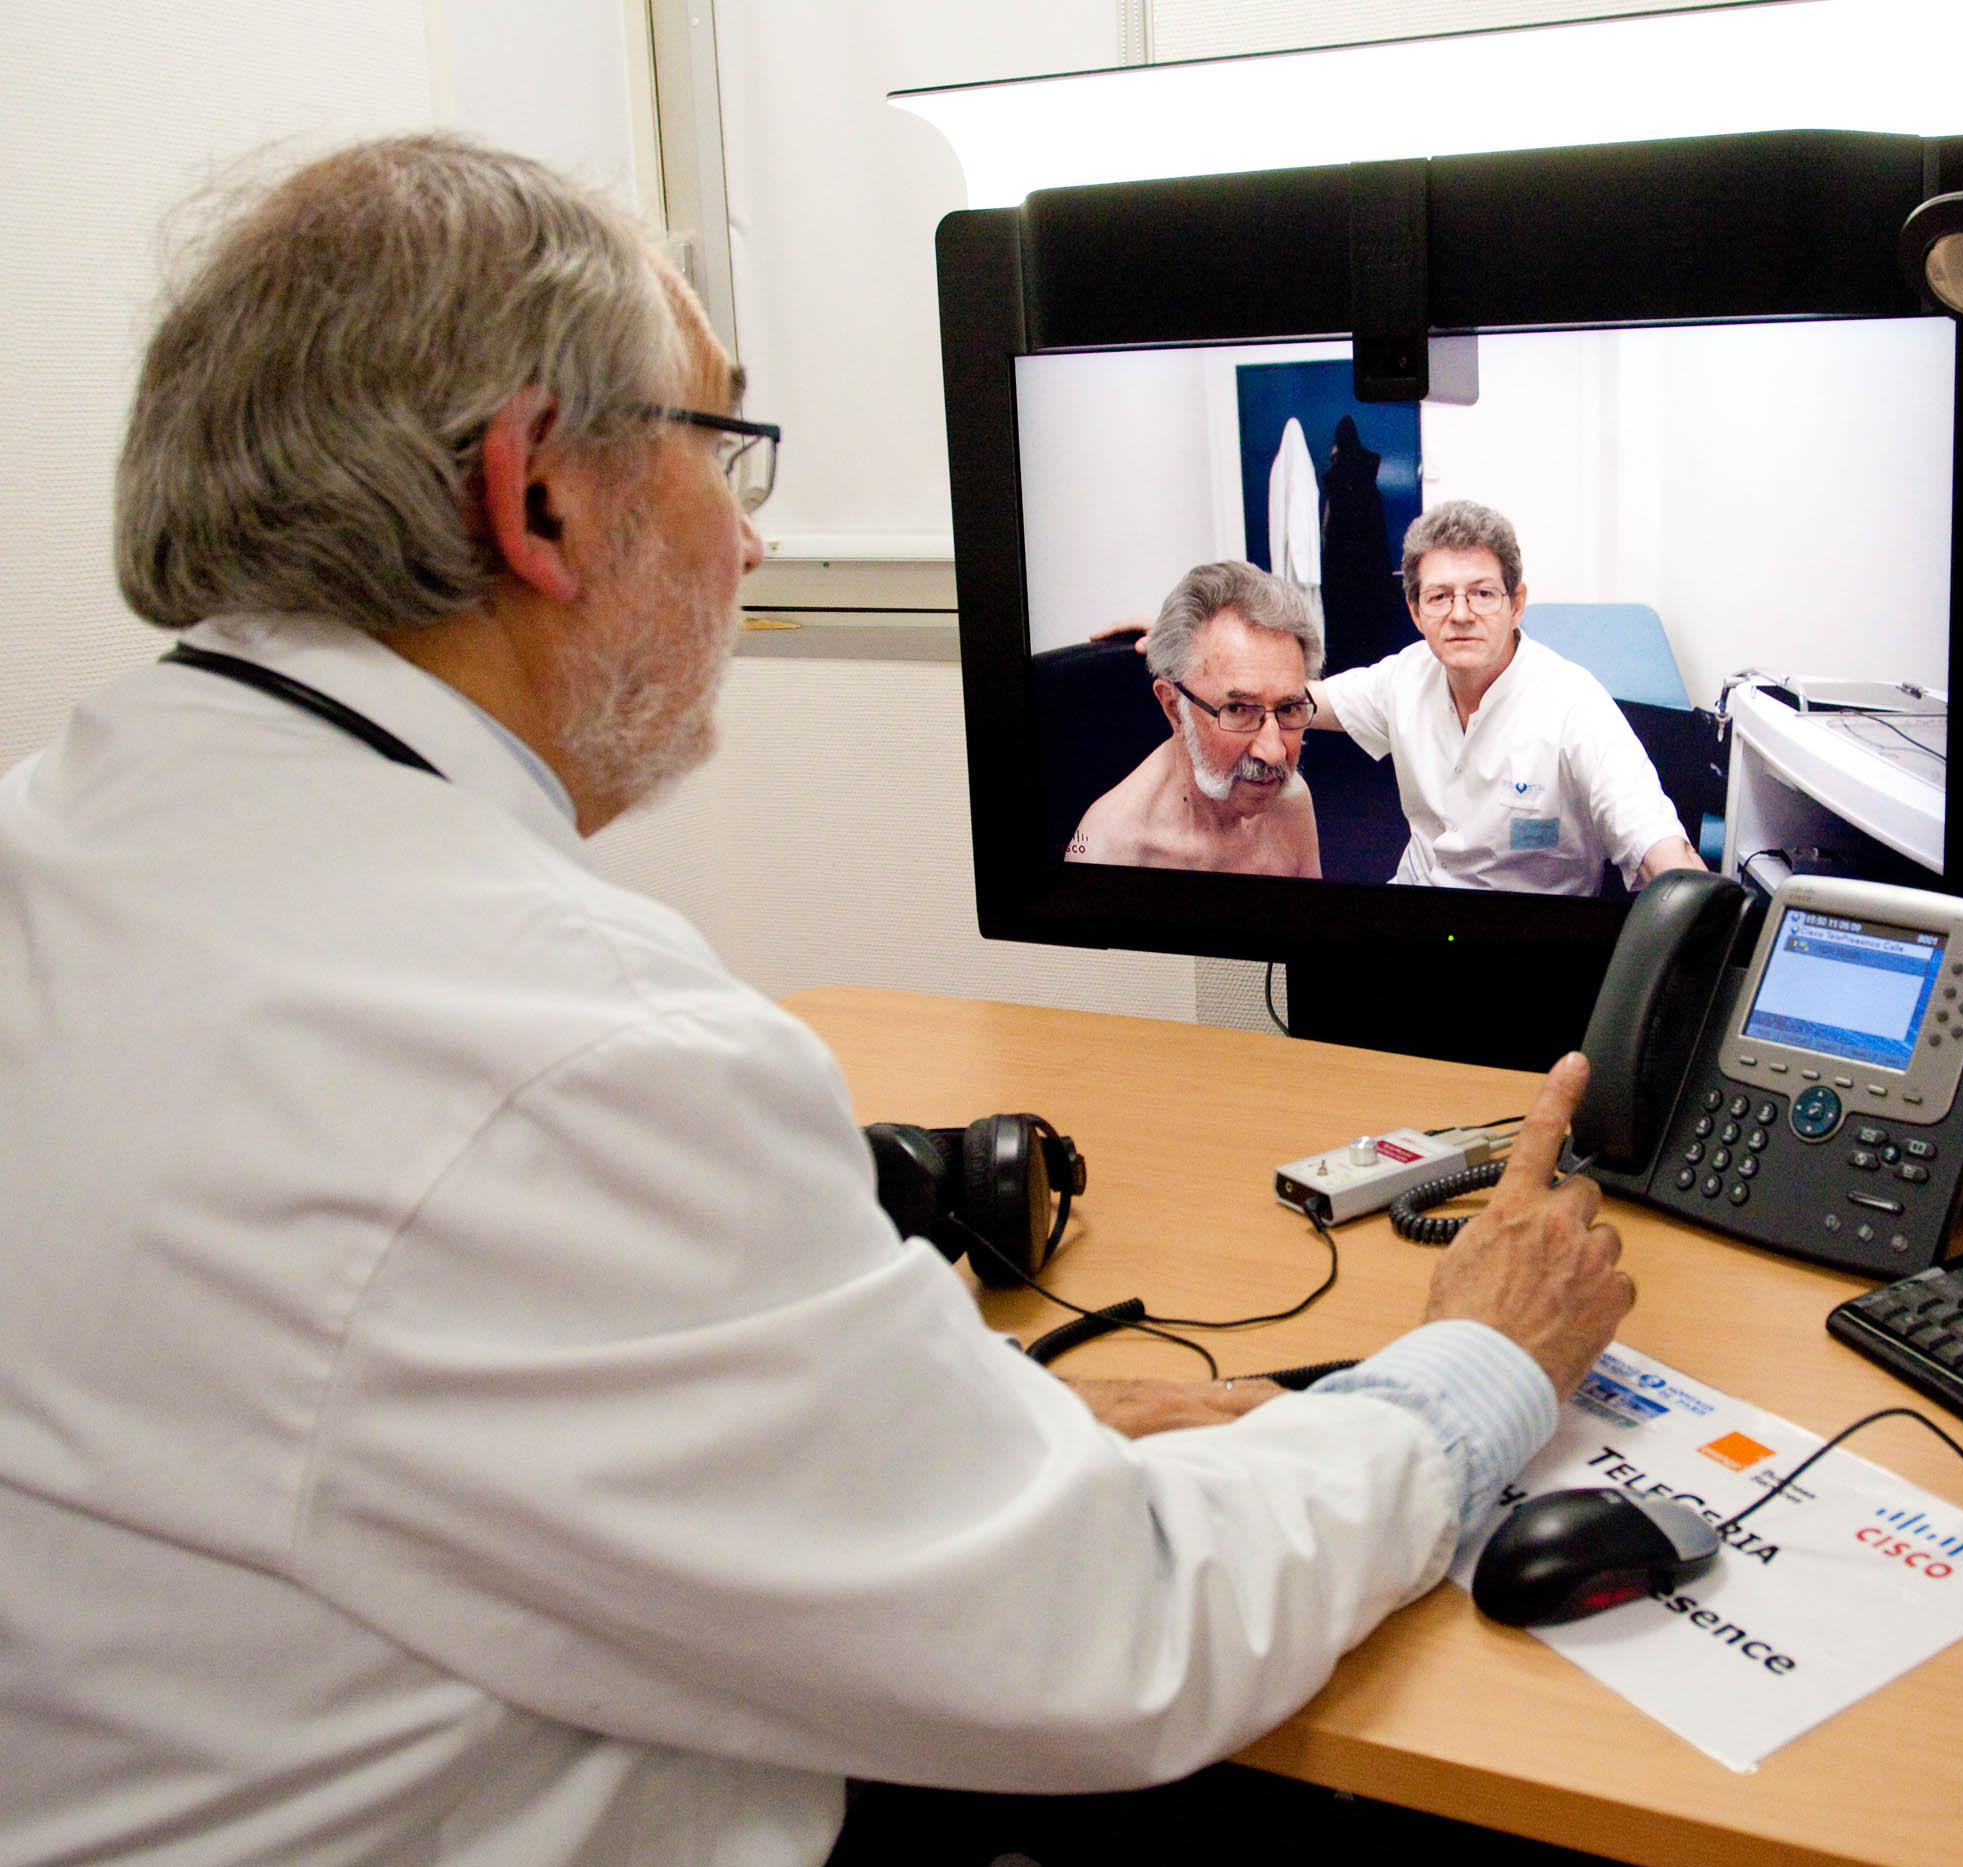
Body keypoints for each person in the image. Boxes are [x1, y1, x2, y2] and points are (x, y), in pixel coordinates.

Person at [0, 135, 1634, 1865]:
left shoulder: (61, 839)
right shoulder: (573, 1054)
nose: (752, 533)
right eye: (721, 449)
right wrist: (1477, 1360)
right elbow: (1120, 1635)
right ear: (537, 498)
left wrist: (940, 1434)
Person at [1312, 501, 1709, 894]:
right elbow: (1300, 701)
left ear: (1516, 605)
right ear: (1416, 612)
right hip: (1416, 903)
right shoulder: (1404, 676)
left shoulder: (1573, 703)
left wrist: (1692, 898)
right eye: (1439, 597)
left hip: (1527, 925)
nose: (1461, 614)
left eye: (1483, 593)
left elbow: (1652, 835)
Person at [1066, 561, 1324, 876]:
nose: (1274, 753)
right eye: (1237, 710)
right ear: (1174, 708)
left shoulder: (1290, 800)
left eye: (1288, 708)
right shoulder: (1109, 852)